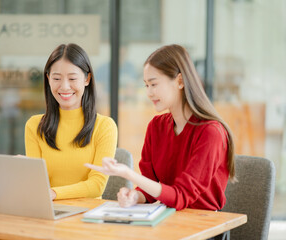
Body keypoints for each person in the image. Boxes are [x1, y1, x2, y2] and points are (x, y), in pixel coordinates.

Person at [85, 44, 235, 211]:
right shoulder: (156, 127)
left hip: (204, 228)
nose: (149, 93)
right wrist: (135, 196)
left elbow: (181, 196)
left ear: (179, 81)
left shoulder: (210, 132)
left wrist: (128, 174)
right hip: (168, 221)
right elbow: (149, 190)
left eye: (154, 84)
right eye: (146, 85)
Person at [25, 43, 117, 200]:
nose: (64, 86)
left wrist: (54, 193)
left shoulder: (104, 126)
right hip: (48, 213)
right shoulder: (34, 126)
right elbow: (37, 184)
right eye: (56, 78)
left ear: (87, 79)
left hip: (87, 217)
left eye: (72, 78)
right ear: (48, 79)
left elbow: (97, 186)